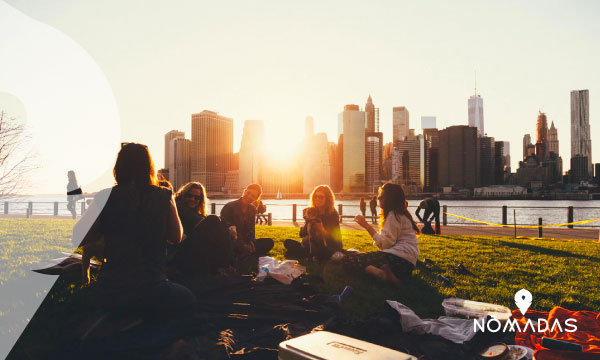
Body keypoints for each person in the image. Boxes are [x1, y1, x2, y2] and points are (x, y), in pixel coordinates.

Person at [73, 143, 195, 320]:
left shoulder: (104, 196)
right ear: (149, 168)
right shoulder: (164, 195)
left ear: (118, 168)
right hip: (152, 288)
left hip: (112, 289)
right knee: (189, 299)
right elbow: (176, 237)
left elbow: (79, 237)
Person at [345, 182, 420, 287]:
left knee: (350, 261)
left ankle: (381, 274)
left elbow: (385, 245)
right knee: (363, 258)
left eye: (381, 197)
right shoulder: (402, 214)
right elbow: (388, 244)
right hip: (408, 264)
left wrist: (366, 226)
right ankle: (391, 276)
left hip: (396, 258)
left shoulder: (394, 215)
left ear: (390, 199)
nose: (378, 199)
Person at [171, 182, 232, 277]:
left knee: (221, 223)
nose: (192, 199)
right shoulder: (179, 206)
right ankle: (226, 265)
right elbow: (196, 219)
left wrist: (230, 226)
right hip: (180, 250)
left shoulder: (194, 211)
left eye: (197, 198)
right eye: (189, 196)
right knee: (214, 220)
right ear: (183, 194)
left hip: (192, 248)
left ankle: (226, 264)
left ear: (201, 200)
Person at [283, 185, 342, 261]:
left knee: (323, 251)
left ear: (327, 199)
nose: (317, 199)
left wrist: (322, 230)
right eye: (315, 196)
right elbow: (301, 234)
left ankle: (305, 255)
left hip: (328, 245)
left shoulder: (332, 214)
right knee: (287, 242)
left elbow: (334, 239)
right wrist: (307, 222)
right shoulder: (312, 211)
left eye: (321, 197)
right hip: (310, 244)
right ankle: (307, 255)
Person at [220, 184, 274, 258]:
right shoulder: (229, 206)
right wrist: (243, 245)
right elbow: (227, 229)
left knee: (269, 242)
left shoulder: (252, 209)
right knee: (232, 245)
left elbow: (251, 229)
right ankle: (243, 252)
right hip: (231, 240)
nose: (249, 196)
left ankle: (246, 251)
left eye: (253, 196)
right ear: (244, 191)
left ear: (255, 199)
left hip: (245, 240)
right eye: (248, 193)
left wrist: (251, 242)